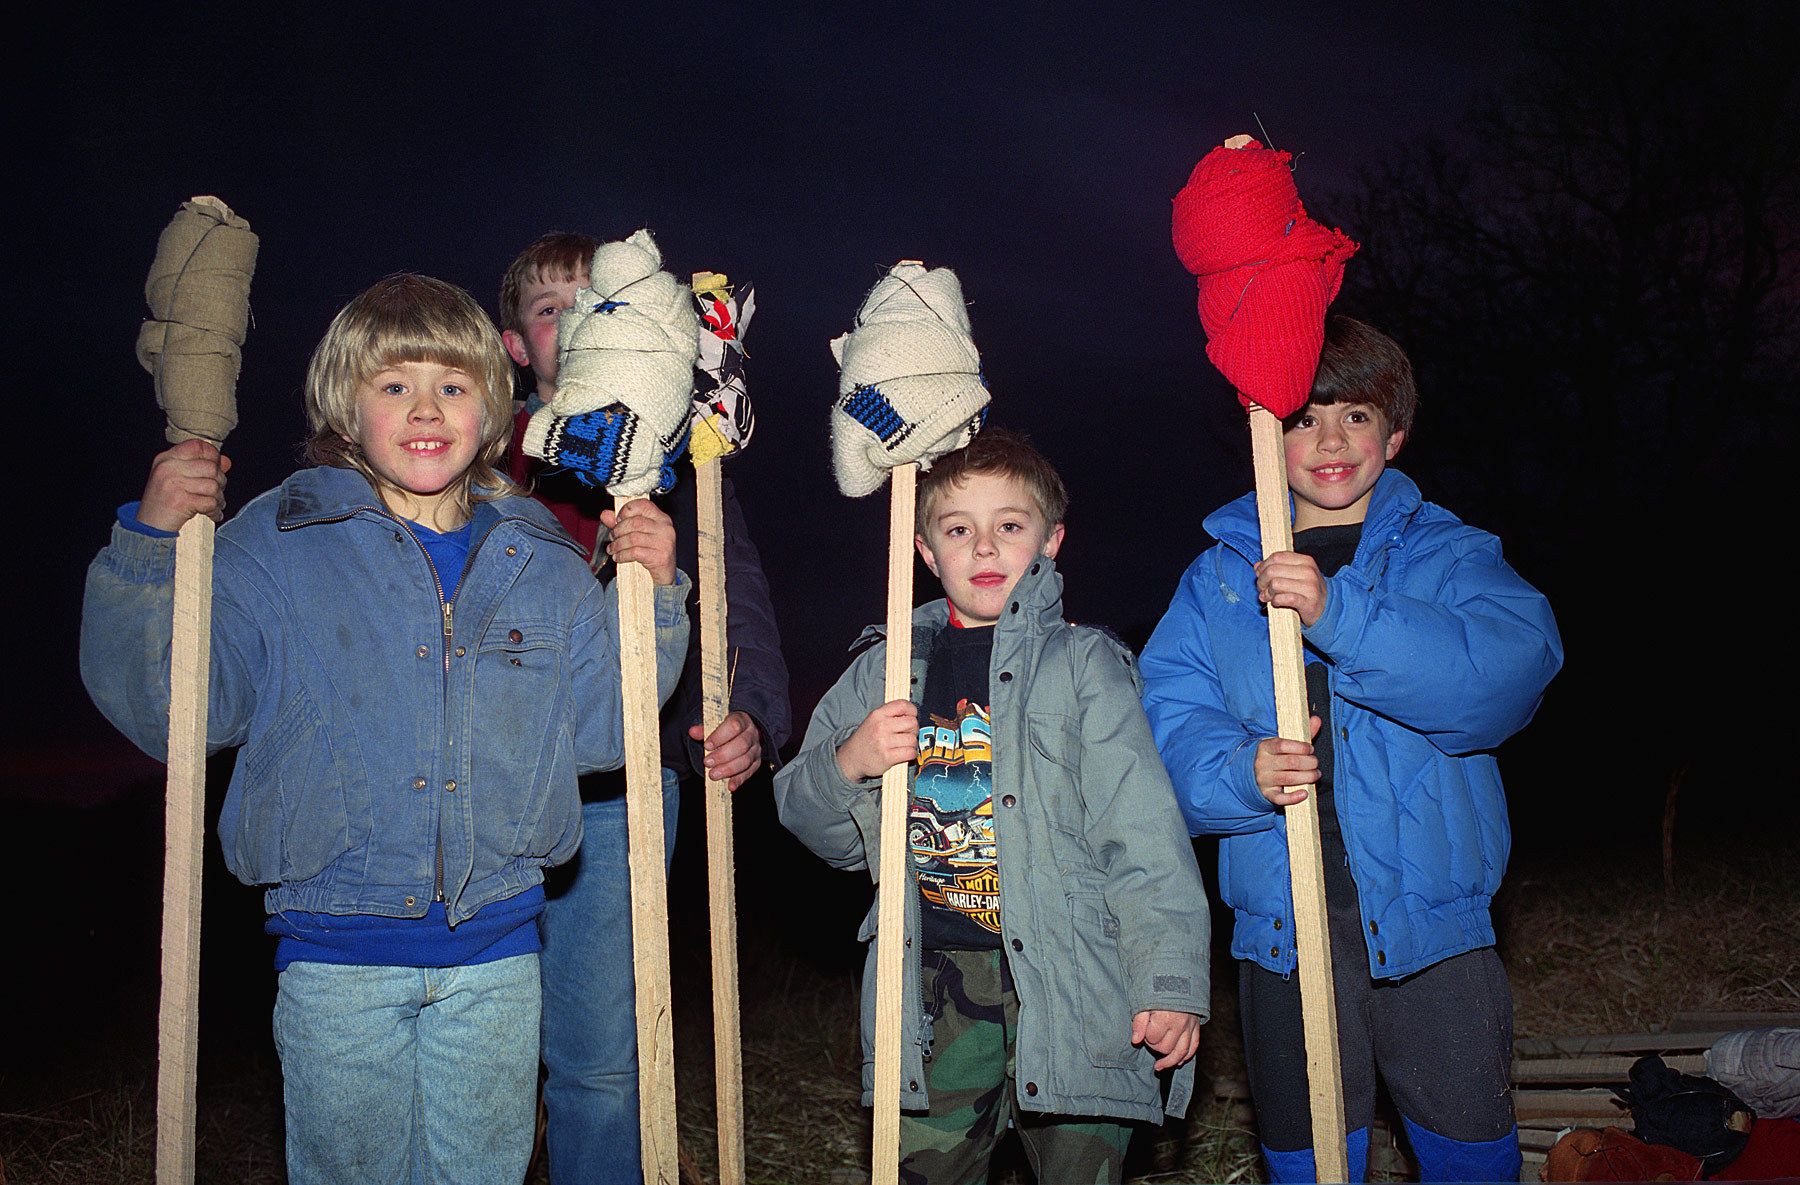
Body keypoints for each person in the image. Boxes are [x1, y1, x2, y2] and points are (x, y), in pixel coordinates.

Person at [80, 274, 689, 1185]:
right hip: (336, 959)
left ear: (493, 409)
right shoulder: (273, 541)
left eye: (452, 384)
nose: (425, 408)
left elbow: (609, 734)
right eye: (393, 385)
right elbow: (179, 709)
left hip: (499, 955)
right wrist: (154, 546)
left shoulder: (544, 558)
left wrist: (654, 598)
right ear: (344, 403)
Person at [1139, 316, 1564, 1184]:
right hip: (1284, 934)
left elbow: (1507, 678)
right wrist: (1238, 770)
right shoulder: (1218, 577)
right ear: (1268, 435)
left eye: (1356, 416)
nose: (1329, 440)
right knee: (1309, 1157)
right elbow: (1166, 725)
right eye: (1304, 417)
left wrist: (1340, 613)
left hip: (1434, 926)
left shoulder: (1452, 554)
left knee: (1470, 1151)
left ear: (1395, 433)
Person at [774, 429, 1210, 1184]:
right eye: (957, 528)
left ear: (1052, 540)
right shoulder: (883, 670)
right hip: (933, 989)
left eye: (1009, 525)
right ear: (924, 549)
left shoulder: (1084, 667)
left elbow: (1143, 838)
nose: (984, 547)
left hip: (1077, 985)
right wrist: (853, 762)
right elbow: (808, 820)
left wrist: (1168, 981)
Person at [497, 231, 792, 1183]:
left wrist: (749, 709)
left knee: (598, 1053)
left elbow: (733, 589)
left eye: (592, 302)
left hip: (629, 779)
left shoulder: (680, 458)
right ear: (513, 344)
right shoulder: (474, 453)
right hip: (491, 780)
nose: (573, 322)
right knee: (485, 1040)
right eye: (549, 309)